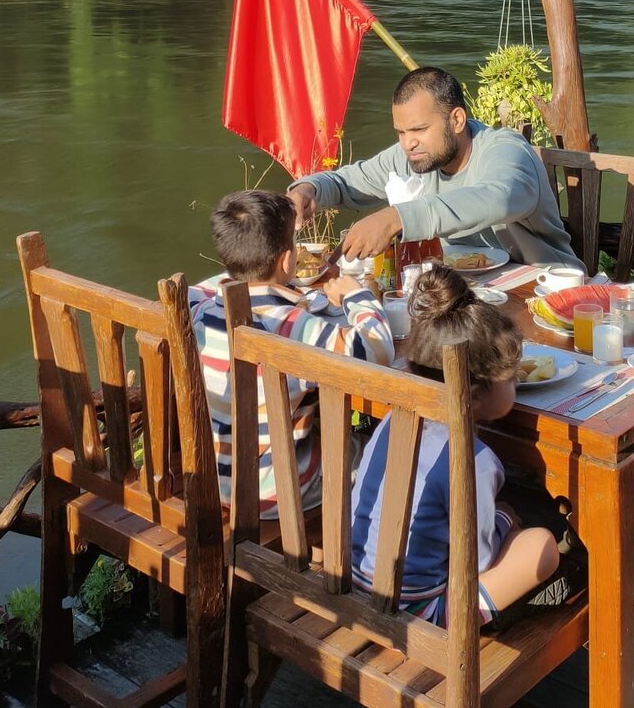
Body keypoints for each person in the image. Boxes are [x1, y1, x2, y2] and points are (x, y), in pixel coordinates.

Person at [350, 266, 585, 627]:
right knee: (541, 544)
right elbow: (479, 560)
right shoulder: (474, 459)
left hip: (358, 587)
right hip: (418, 615)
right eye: (511, 378)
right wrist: (506, 520)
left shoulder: (390, 422)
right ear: (474, 396)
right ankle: (501, 609)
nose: (516, 386)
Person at [189, 188, 393, 513]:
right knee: (385, 455)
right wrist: (356, 295)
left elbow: (195, 288)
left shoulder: (200, 312)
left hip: (214, 477)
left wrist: (251, 273)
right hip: (279, 489)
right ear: (287, 259)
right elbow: (378, 348)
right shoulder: (292, 327)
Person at [288, 66, 577, 265]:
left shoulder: (507, 150)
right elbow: (345, 182)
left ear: (457, 120)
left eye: (419, 130)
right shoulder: (412, 157)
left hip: (546, 291)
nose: (407, 143)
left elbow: (497, 198)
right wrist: (309, 189)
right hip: (468, 295)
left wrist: (396, 218)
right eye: (401, 132)